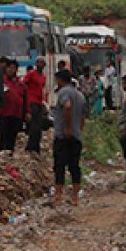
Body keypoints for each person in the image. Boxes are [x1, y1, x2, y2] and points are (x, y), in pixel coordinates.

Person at [51, 69, 86, 207]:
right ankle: (75, 197)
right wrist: (78, 129)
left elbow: (67, 106)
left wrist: (67, 127)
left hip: (63, 135)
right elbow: (83, 116)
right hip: (76, 136)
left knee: (59, 165)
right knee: (74, 166)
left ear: (60, 80)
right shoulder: (80, 94)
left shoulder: (64, 92)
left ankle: (59, 195)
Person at [0, 58, 27, 153]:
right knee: (3, 135)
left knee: (12, 136)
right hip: (4, 113)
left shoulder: (21, 84)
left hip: (16, 114)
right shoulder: (1, 82)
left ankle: (10, 154)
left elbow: (25, 100)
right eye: (9, 67)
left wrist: (27, 112)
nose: (10, 70)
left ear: (16, 70)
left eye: (13, 67)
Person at [23, 57, 47, 153]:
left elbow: (42, 88)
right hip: (32, 101)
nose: (40, 65)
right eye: (38, 62)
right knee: (34, 125)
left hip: (39, 102)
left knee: (38, 126)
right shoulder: (31, 74)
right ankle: (30, 146)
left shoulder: (43, 76)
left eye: (41, 63)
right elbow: (24, 83)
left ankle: (36, 146)